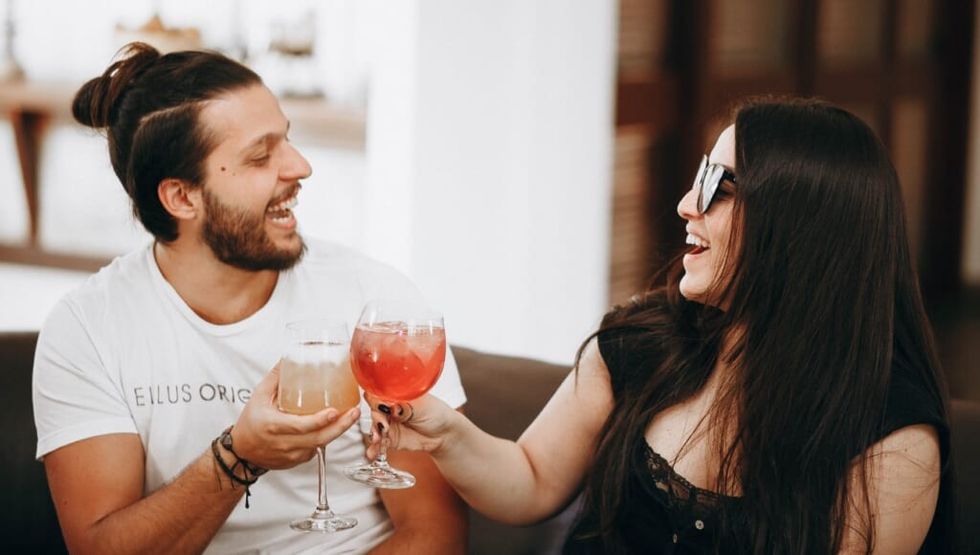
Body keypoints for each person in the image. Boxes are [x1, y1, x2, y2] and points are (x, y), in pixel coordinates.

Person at [364, 98, 954, 554]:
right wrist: (443, 434)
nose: (686, 206)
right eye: (701, 178)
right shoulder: (640, 341)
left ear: (800, 227)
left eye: (718, 188)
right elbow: (531, 480)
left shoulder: (891, 437)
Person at [32, 42, 467, 554]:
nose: (300, 167)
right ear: (181, 197)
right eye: (261, 156)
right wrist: (238, 457)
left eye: (287, 140)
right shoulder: (88, 330)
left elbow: (435, 536)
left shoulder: (372, 302)